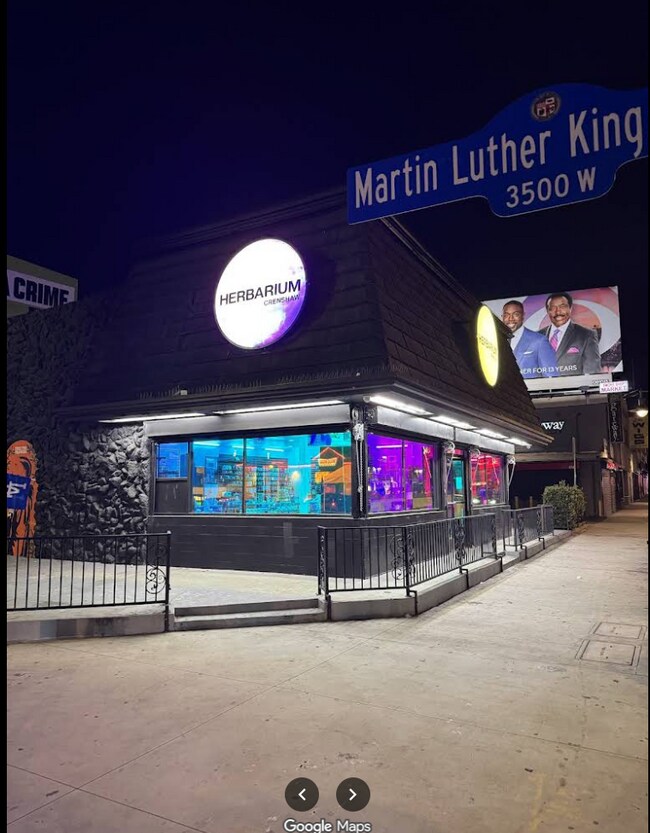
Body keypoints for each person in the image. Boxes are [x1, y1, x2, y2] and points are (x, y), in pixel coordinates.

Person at [539, 292, 601, 376]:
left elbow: (593, 372)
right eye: (552, 308)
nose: (558, 311)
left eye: (562, 306)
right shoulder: (537, 336)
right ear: (547, 311)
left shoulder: (587, 335)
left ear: (570, 308)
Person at [501, 300, 558, 379]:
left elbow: (551, 376)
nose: (510, 318)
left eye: (516, 314)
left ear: (523, 316)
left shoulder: (539, 340)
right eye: (506, 315)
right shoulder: (496, 341)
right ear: (502, 317)